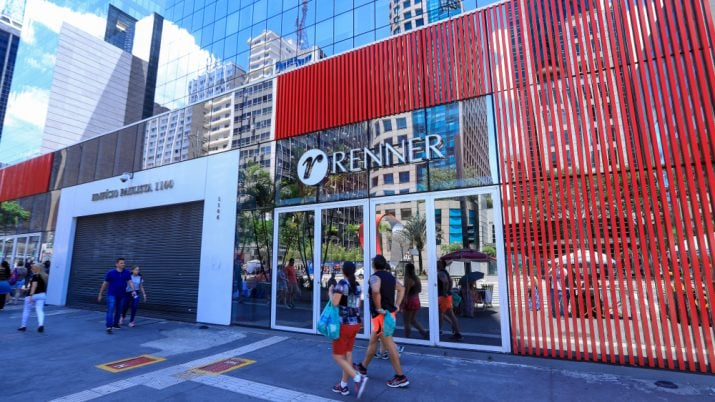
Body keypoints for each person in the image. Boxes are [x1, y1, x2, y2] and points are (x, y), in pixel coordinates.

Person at [355, 255, 409, 388]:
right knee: (373, 341)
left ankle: (400, 376)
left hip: (381, 317)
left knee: (389, 345)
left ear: (374, 265)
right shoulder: (390, 277)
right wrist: (396, 305)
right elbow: (402, 289)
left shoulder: (375, 277)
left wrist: (378, 307)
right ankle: (363, 367)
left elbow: (375, 291)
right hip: (389, 315)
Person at [329, 261, 368, 398]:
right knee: (347, 354)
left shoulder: (342, 284)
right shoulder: (357, 286)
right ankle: (343, 385)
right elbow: (357, 305)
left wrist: (330, 292)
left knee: (337, 356)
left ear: (343, 271)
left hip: (343, 325)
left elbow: (334, 303)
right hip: (355, 324)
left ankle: (357, 377)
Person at [97, 257, 136, 334]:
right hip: (111, 294)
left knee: (119, 310)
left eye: (124, 263)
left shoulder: (127, 272)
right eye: (121, 263)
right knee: (110, 310)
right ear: (116, 264)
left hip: (122, 295)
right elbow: (105, 283)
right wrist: (100, 294)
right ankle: (109, 326)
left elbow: (130, 281)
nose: (123, 264)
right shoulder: (111, 273)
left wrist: (133, 290)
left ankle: (115, 324)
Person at [17, 263, 49, 332]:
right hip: (42, 295)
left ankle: (23, 326)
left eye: (33, 268)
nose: (31, 269)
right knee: (39, 310)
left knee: (27, 310)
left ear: (37, 269)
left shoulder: (35, 276)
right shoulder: (45, 276)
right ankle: (41, 324)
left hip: (33, 295)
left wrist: (31, 295)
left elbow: (34, 286)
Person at [437, 259, 463, 341]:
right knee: (448, 314)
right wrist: (448, 290)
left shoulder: (441, 273)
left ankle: (438, 331)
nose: (436, 264)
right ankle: (457, 332)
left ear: (441, 265)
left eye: (438, 263)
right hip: (447, 296)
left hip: (443, 297)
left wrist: (444, 292)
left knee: (440, 314)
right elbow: (450, 281)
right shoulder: (445, 272)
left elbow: (445, 282)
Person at [401, 262, 429, 339]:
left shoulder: (408, 280)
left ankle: (407, 337)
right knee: (412, 320)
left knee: (406, 321)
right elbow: (419, 290)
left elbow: (405, 293)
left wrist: (401, 303)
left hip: (409, 300)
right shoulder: (417, 279)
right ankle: (424, 333)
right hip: (416, 299)